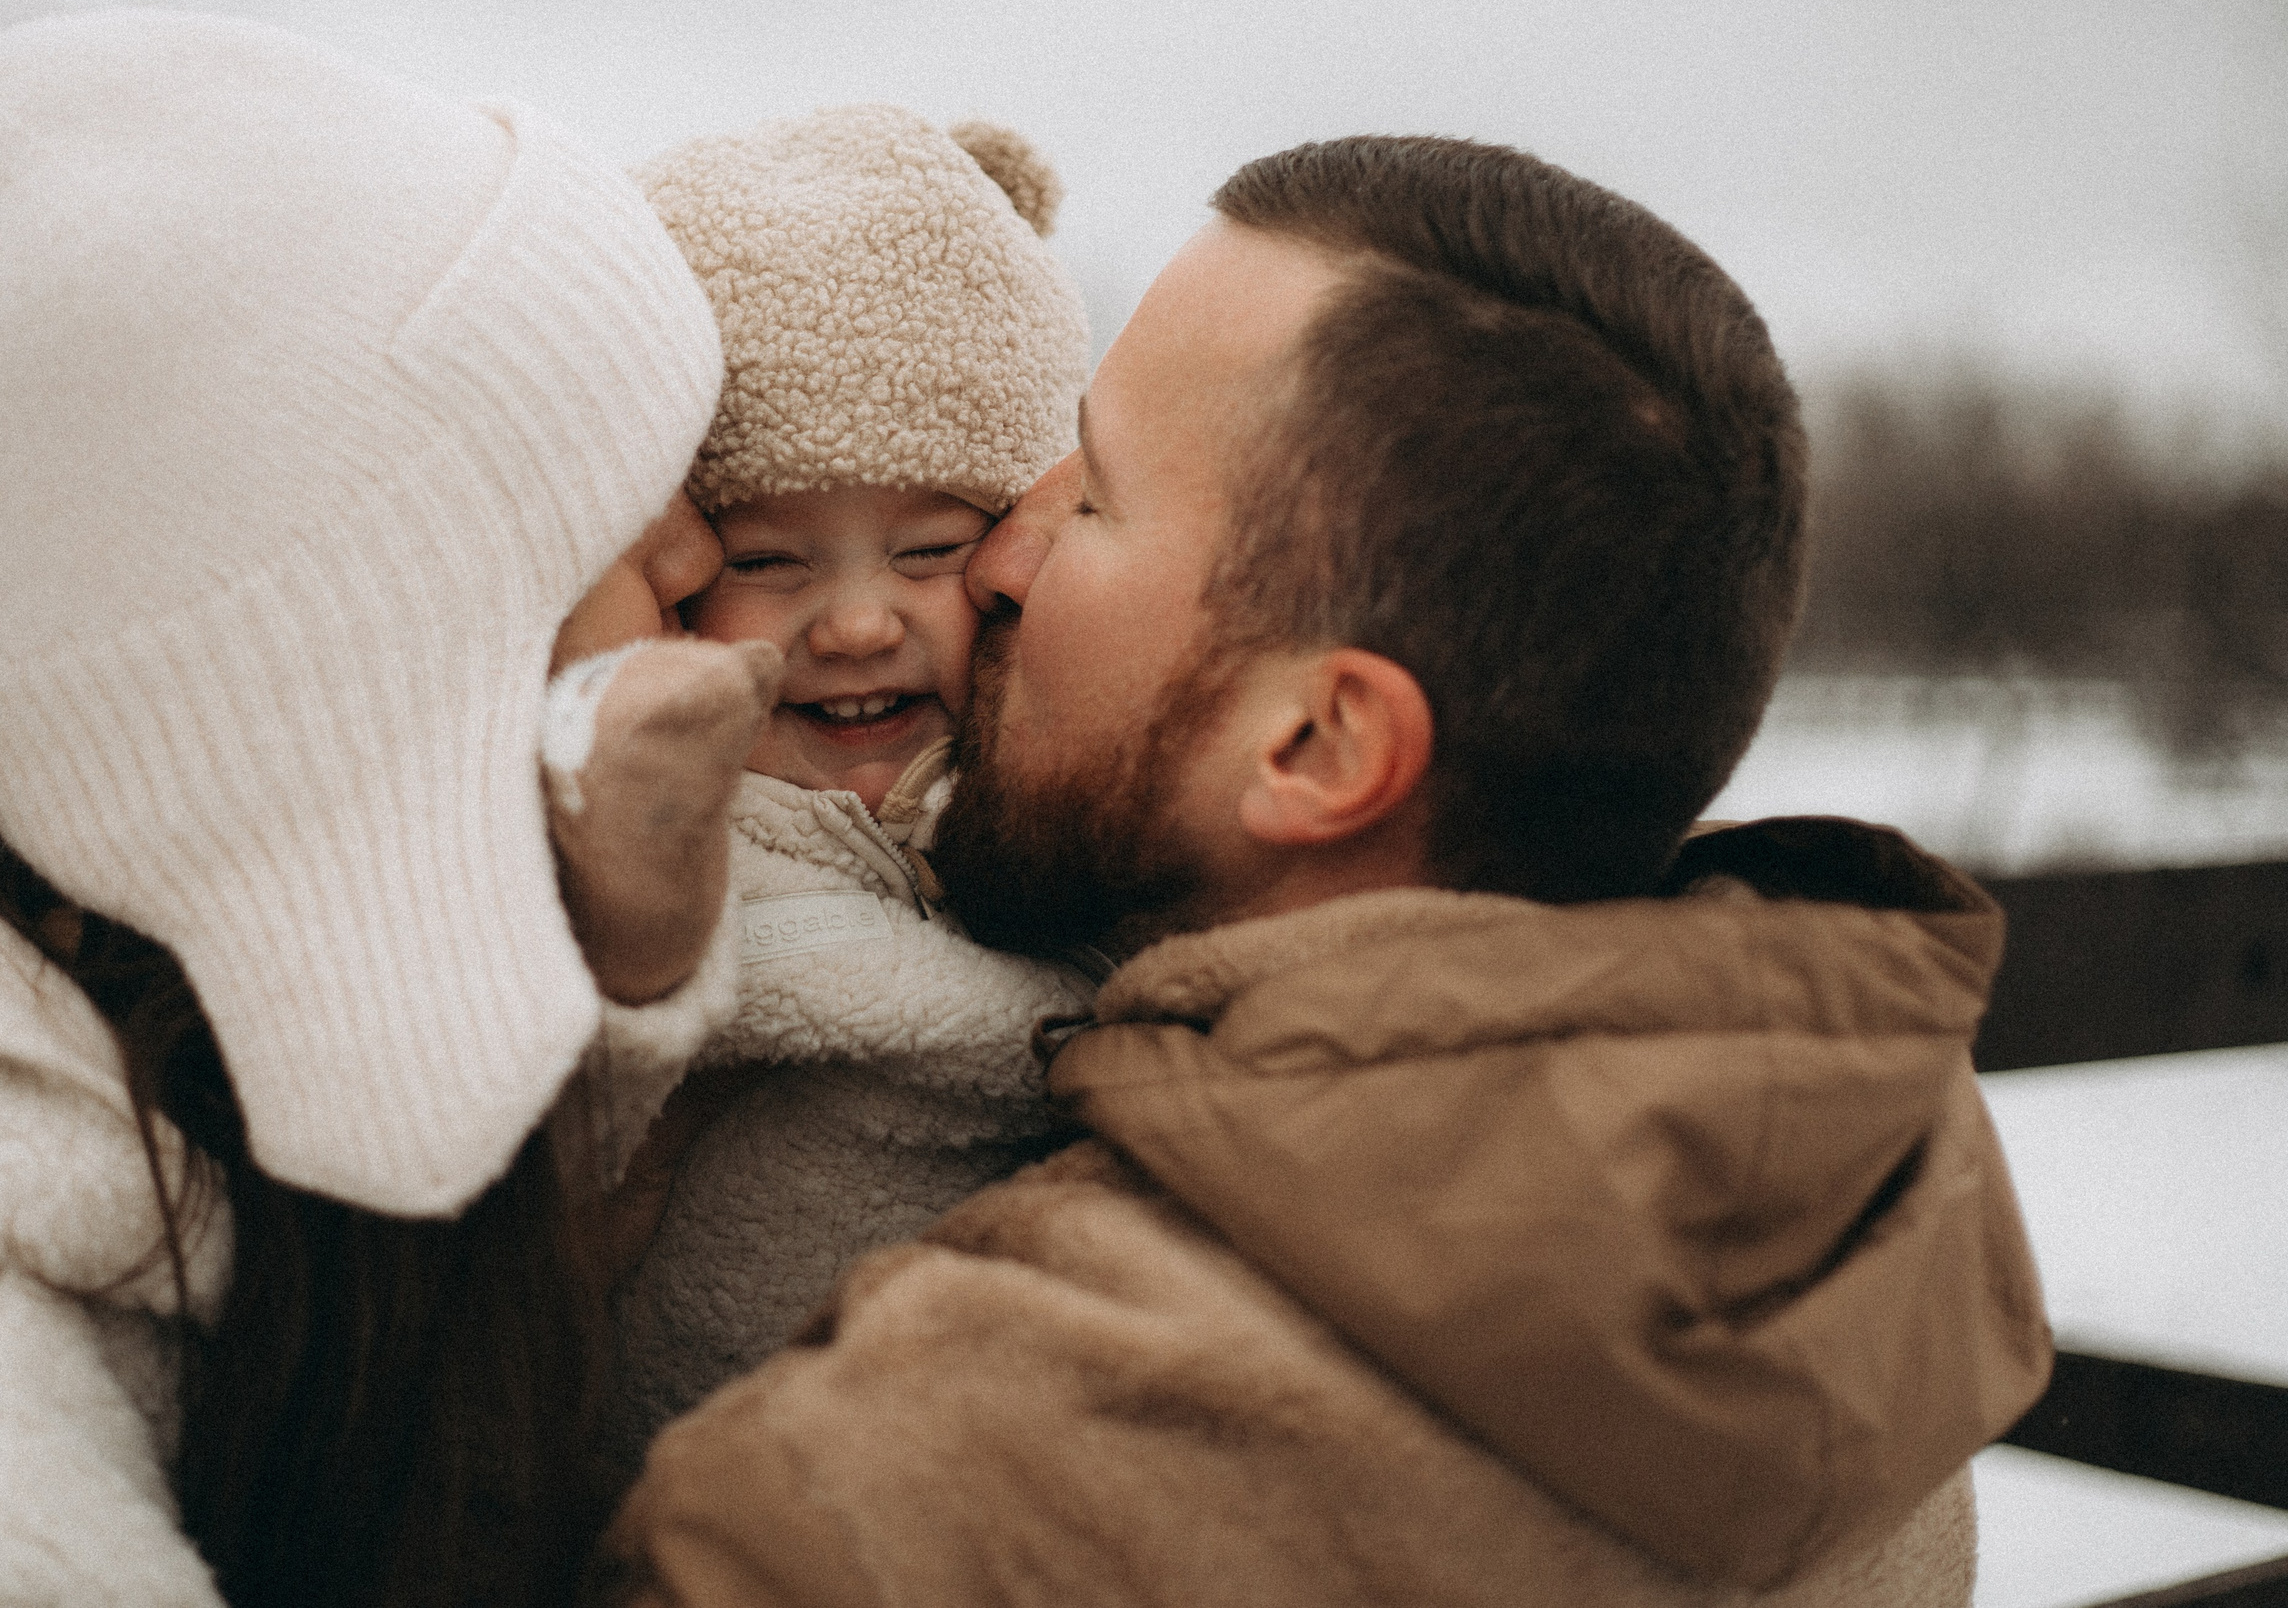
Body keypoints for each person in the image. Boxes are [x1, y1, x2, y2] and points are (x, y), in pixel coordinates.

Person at [599, 138, 2056, 1605]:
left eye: (1094, 498)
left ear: (1317, 746)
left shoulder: (908, 1497)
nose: (997, 560)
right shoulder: (1832, 1243)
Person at [0, 9, 771, 1607]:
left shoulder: (116, 958)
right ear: (366, 663)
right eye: (621, 505)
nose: (705, 559)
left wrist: (616, 988)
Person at [598, 106, 1097, 1459]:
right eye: (769, 562)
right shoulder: (651, 827)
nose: (860, 624)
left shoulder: (1060, 824)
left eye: (932, 547)